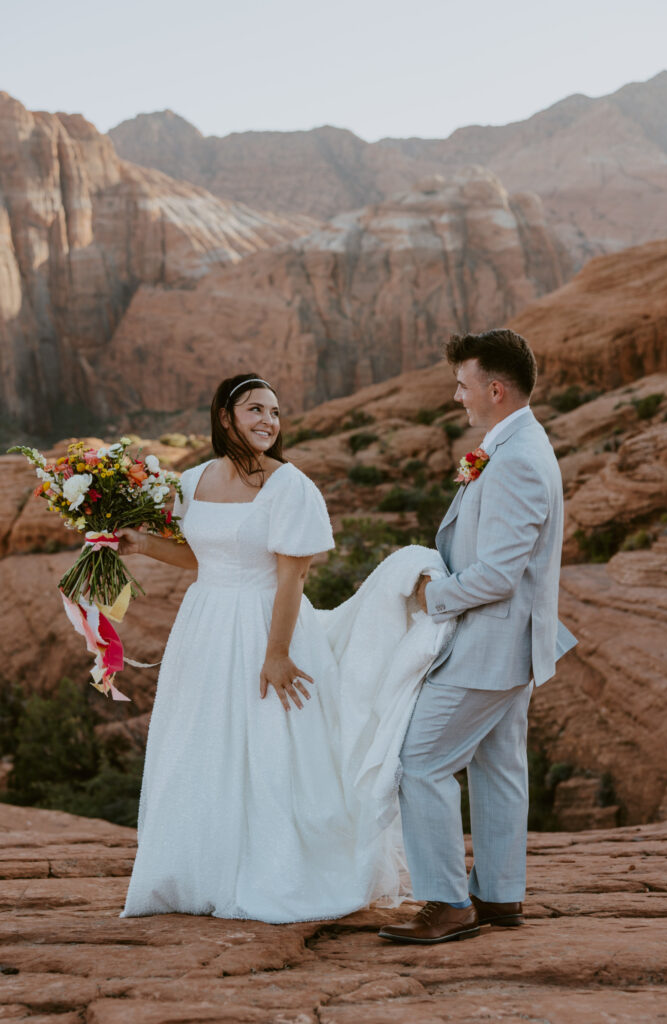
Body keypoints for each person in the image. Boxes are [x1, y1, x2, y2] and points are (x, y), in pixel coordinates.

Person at [118, 373, 444, 923]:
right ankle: (198, 874)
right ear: (226, 417)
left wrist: (276, 654)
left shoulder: (290, 486)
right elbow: (205, 558)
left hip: (269, 625)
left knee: (270, 747)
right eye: (254, 410)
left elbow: (290, 578)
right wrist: (142, 544)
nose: (268, 420)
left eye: (274, 411)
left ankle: (278, 873)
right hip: (204, 626)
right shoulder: (194, 480)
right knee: (201, 744)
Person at [379, 329, 576, 945]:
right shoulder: (517, 443)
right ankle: (498, 894)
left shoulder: (516, 457)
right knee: (499, 767)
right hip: (513, 643)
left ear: (494, 389)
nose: (456, 395)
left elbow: (497, 573)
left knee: (421, 762)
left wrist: (429, 598)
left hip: (490, 642)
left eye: (462, 385)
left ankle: (446, 901)